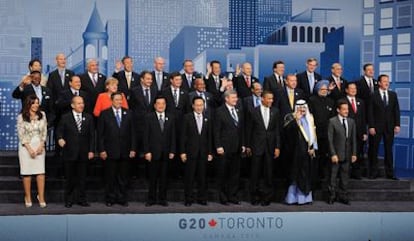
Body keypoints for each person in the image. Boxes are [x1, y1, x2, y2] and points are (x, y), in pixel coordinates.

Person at [97, 92, 136, 207]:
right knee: (110, 177)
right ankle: (110, 198)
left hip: (125, 151)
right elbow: (100, 134)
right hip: (109, 151)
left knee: (123, 177)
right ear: (112, 100)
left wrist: (133, 148)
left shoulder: (129, 113)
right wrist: (102, 150)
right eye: (117, 99)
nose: (119, 102)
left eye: (120, 100)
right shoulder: (104, 114)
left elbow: (133, 133)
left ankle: (122, 198)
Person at [56, 96, 95, 208]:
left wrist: (92, 150)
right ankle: (69, 200)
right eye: (78, 103)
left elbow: (92, 136)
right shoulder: (65, 117)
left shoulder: (88, 117)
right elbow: (59, 131)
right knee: (70, 178)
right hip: (70, 153)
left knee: (82, 179)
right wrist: (60, 139)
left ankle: (82, 199)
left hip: (84, 153)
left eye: (82, 103)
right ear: (72, 105)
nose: (81, 105)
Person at [246, 90, 280, 206]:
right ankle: (254, 197)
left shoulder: (275, 111)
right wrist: (248, 146)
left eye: (272, 99)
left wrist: (277, 147)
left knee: (268, 173)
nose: (271, 101)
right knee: (255, 173)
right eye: (269, 98)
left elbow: (277, 131)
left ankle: (267, 198)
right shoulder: (253, 111)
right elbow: (249, 130)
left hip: (270, 147)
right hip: (256, 146)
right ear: (262, 99)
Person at [214, 90, 246, 205]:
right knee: (223, 174)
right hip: (224, 148)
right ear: (226, 99)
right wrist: (218, 146)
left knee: (235, 174)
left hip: (236, 147)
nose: (235, 100)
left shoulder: (239, 110)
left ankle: (232, 196)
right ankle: (223, 197)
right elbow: (216, 131)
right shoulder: (219, 111)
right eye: (233, 98)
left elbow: (241, 129)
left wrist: (243, 144)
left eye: (236, 97)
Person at [143, 96, 176, 207]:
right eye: (158, 103)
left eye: (163, 103)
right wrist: (147, 151)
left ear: (165, 105)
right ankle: (151, 199)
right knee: (153, 178)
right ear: (155, 105)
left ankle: (162, 199)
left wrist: (172, 150)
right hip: (153, 153)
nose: (161, 106)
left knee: (164, 178)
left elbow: (173, 136)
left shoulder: (171, 117)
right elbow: (145, 136)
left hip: (166, 152)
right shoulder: (149, 117)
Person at [180, 96, 213, 206]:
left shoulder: (207, 117)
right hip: (190, 152)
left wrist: (210, 152)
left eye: (201, 105)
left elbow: (209, 137)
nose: (199, 107)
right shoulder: (186, 118)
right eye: (197, 105)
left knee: (202, 177)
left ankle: (202, 198)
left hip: (203, 152)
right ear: (193, 106)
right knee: (189, 177)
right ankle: (188, 199)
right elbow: (183, 136)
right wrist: (182, 152)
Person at [284, 99, 318, 205]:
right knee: (296, 175)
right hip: (295, 152)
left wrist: (313, 147)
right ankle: (293, 198)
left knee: (306, 175)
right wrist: (296, 121)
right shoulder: (290, 117)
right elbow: (286, 133)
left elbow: (313, 133)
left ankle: (305, 199)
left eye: (304, 107)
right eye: (300, 107)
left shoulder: (310, 118)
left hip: (308, 151)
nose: (302, 109)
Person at [17, 95, 48, 208]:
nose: (36, 105)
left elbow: (44, 131)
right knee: (27, 173)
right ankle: (28, 197)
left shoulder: (42, 115)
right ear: (28, 104)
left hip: (39, 146)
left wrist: (41, 146)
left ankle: (41, 197)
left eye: (37, 103)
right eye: (33, 103)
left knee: (40, 173)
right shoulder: (21, 117)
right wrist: (30, 149)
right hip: (26, 147)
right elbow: (21, 134)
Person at [368, 74, 400, 180]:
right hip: (376, 127)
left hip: (389, 127)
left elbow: (396, 111)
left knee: (389, 150)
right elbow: (370, 112)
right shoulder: (373, 95)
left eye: (388, 81)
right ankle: (373, 173)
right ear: (379, 83)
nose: (387, 83)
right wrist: (371, 126)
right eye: (384, 81)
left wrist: (397, 125)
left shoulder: (393, 95)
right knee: (374, 150)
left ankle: (390, 173)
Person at [327, 99, 357, 205]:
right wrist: (333, 154)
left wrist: (354, 153)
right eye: (344, 109)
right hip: (336, 154)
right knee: (333, 177)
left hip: (347, 155)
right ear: (338, 110)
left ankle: (343, 196)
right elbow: (330, 140)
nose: (346, 111)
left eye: (347, 109)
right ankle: (332, 196)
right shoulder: (332, 121)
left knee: (345, 177)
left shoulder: (351, 121)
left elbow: (353, 139)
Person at [308, 80, 335, 186]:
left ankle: (323, 176)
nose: (324, 91)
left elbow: (332, 117)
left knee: (325, 156)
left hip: (327, 134)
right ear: (317, 89)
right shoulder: (311, 100)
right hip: (314, 133)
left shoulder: (331, 101)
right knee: (315, 156)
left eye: (326, 89)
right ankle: (314, 177)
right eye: (322, 89)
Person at [341, 82, 367, 179]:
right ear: (346, 90)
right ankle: (345, 173)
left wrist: (364, 132)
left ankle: (356, 173)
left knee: (358, 153)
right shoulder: (342, 101)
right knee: (346, 152)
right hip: (346, 131)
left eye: (355, 88)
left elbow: (363, 118)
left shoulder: (361, 101)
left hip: (359, 132)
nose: (353, 90)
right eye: (351, 88)